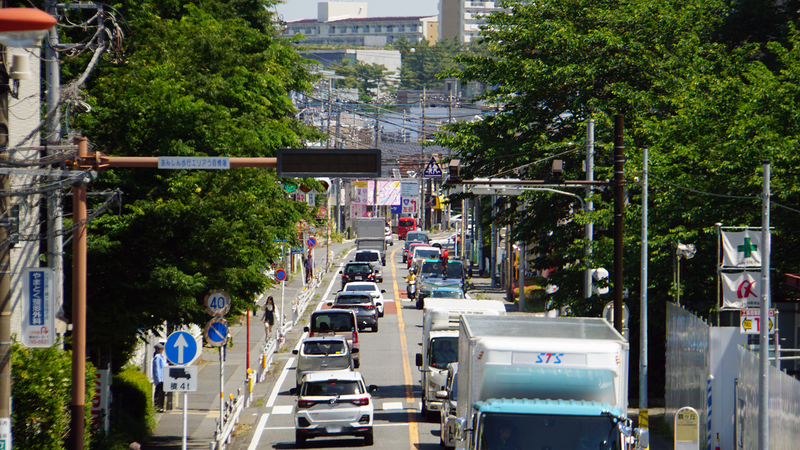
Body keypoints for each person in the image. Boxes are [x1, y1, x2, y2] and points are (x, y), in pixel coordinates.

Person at [152, 342, 167, 413]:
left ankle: (161, 407)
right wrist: (158, 379)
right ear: (157, 349)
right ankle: (158, 407)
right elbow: (157, 369)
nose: (162, 350)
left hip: (163, 378)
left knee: (162, 393)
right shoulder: (157, 357)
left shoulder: (161, 356)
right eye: (161, 349)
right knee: (159, 393)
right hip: (160, 379)